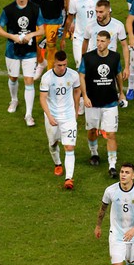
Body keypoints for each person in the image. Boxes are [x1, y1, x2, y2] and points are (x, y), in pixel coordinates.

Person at [0, 0, 44, 127]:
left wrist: (31, 35)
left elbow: (42, 29)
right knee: (13, 78)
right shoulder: (8, 10)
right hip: (12, 51)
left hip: (29, 51)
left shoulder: (35, 9)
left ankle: (28, 115)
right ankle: (14, 99)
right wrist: (12, 37)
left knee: (29, 80)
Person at [79, 31, 123, 178]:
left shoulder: (115, 57)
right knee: (92, 131)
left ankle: (112, 165)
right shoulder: (88, 57)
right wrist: (84, 96)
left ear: (109, 42)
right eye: (97, 40)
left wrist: (121, 92)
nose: (99, 43)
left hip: (110, 102)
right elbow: (82, 76)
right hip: (92, 102)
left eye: (102, 41)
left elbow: (118, 75)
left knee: (110, 134)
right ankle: (94, 153)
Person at [39, 51, 80, 189]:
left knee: (69, 147)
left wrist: (76, 110)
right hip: (53, 116)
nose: (62, 68)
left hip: (68, 116)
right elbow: (42, 98)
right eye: (60, 65)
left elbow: (77, 91)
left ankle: (69, 179)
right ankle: (57, 163)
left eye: (65, 64)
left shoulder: (73, 75)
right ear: (54, 63)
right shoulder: (47, 78)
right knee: (53, 143)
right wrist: (50, 116)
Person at [82, 0, 129, 100]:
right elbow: (85, 42)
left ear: (108, 11)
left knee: (109, 89)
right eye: (97, 11)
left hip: (110, 62)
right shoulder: (90, 25)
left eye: (101, 12)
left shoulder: (118, 25)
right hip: (93, 62)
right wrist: (83, 60)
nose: (98, 14)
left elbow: (125, 46)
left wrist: (127, 67)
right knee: (90, 88)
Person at [63, 0, 108, 70]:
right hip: (79, 37)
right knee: (80, 65)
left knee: (94, 66)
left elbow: (108, 18)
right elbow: (69, 19)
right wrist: (63, 38)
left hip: (96, 38)